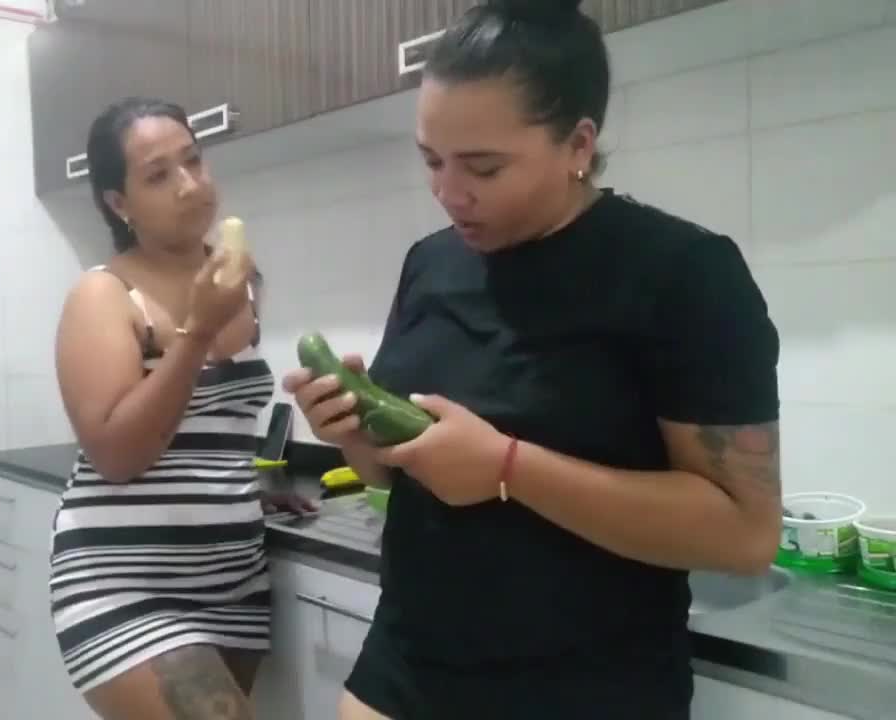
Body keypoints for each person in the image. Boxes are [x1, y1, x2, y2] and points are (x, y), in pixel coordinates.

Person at [283, 1, 782, 718]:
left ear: (578, 143)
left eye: (483, 167)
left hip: (586, 690)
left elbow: (745, 534)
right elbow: (395, 474)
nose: (448, 193)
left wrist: (507, 468)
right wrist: (354, 435)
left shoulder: (682, 273)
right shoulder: (429, 265)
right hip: (405, 667)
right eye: (431, 160)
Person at [49, 97, 309, 720]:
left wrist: (238, 487)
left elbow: (212, 423)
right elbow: (117, 455)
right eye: (159, 175)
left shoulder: (242, 282)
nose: (190, 185)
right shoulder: (104, 295)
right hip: (126, 587)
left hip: (234, 588)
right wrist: (197, 333)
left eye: (193, 161)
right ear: (120, 203)